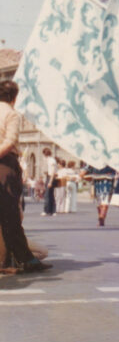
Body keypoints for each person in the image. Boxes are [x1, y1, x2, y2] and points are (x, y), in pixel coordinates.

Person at [0, 80, 51, 273]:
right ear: (14, 97)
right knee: (10, 214)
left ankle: (10, 260)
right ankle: (24, 259)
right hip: (5, 166)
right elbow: (9, 141)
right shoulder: (11, 113)